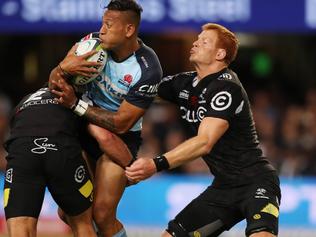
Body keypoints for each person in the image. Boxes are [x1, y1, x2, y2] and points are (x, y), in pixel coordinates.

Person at [126, 23, 281, 237]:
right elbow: (141, 93)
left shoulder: (227, 87)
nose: (196, 42)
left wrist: (156, 164)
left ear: (220, 53)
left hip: (256, 181)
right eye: (197, 39)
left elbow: (205, 141)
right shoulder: (184, 83)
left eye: (204, 41)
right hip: (223, 188)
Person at [49, 0, 163, 236]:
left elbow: (121, 123)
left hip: (119, 138)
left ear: (129, 30)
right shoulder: (90, 44)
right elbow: (55, 82)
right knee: (69, 211)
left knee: (102, 214)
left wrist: (76, 105)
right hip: (84, 131)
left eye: (109, 25)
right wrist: (61, 69)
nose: (101, 30)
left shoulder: (148, 69)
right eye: (102, 23)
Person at [3, 83, 96, 237]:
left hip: (22, 151)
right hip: (60, 149)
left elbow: (12, 133)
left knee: (21, 228)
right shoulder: (82, 99)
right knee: (82, 224)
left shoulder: (26, 99)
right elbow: (97, 142)